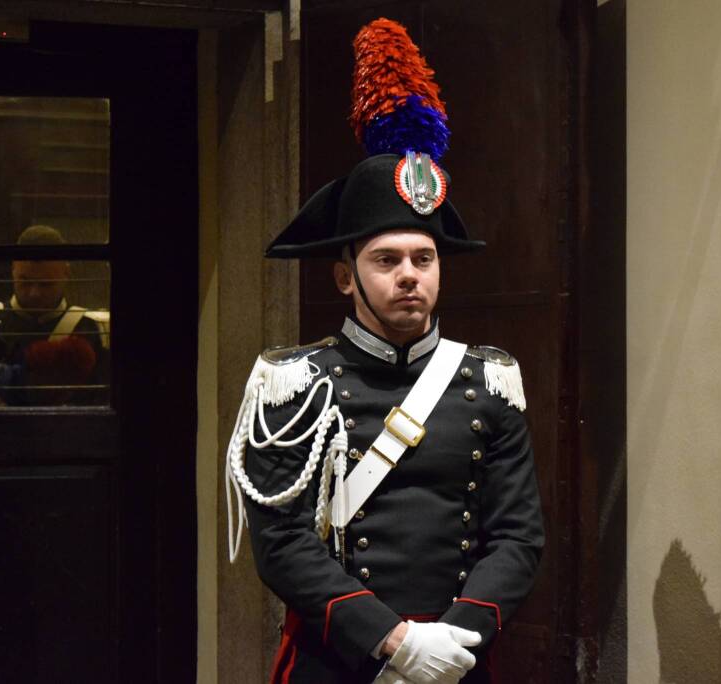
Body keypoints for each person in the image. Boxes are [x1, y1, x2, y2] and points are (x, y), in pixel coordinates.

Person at [225, 18, 544, 684]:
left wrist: (453, 642)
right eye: (386, 259)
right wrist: (394, 643)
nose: (409, 275)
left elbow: (516, 536)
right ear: (346, 276)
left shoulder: (488, 382)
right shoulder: (292, 384)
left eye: (424, 258)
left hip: (455, 662)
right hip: (340, 660)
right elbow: (281, 545)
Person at [0, 224, 109, 406]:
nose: (34, 293)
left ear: (66, 273)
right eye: (25, 282)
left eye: (46, 284)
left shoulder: (89, 330)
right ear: (13, 270)